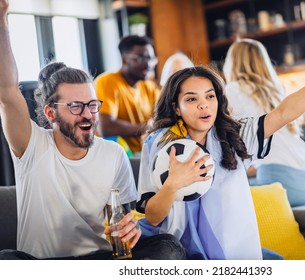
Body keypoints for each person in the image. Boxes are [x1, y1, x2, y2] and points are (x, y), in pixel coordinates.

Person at [0, 0, 184, 260]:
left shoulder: (113, 154)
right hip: (44, 265)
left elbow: (123, 220)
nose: (87, 114)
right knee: (7, 259)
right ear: (51, 112)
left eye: (91, 105)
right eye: (75, 106)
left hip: (99, 259)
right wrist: (1, 19)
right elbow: (7, 91)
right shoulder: (32, 145)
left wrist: (130, 229)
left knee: (168, 246)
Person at [135, 43, 305, 259]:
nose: (204, 105)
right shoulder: (159, 144)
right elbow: (153, 218)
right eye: (191, 99)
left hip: (231, 251)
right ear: (176, 107)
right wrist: (173, 184)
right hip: (180, 253)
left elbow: (283, 113)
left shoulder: (234, 135)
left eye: (210, 96)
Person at [223, 38, 305, 207]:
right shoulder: (277, 90)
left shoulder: (233, 90)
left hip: (284, 185)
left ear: (231, 63)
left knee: (225, 197)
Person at [94, 35, 160, 155]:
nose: (148, 64)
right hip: (119, 155)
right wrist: (147, 127)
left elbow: (161, 119)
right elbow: (106, 127)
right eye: (141, 59)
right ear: (125, 59)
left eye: (151, 59)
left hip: (146, 152)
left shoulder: (149, 86)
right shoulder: (107, 81)